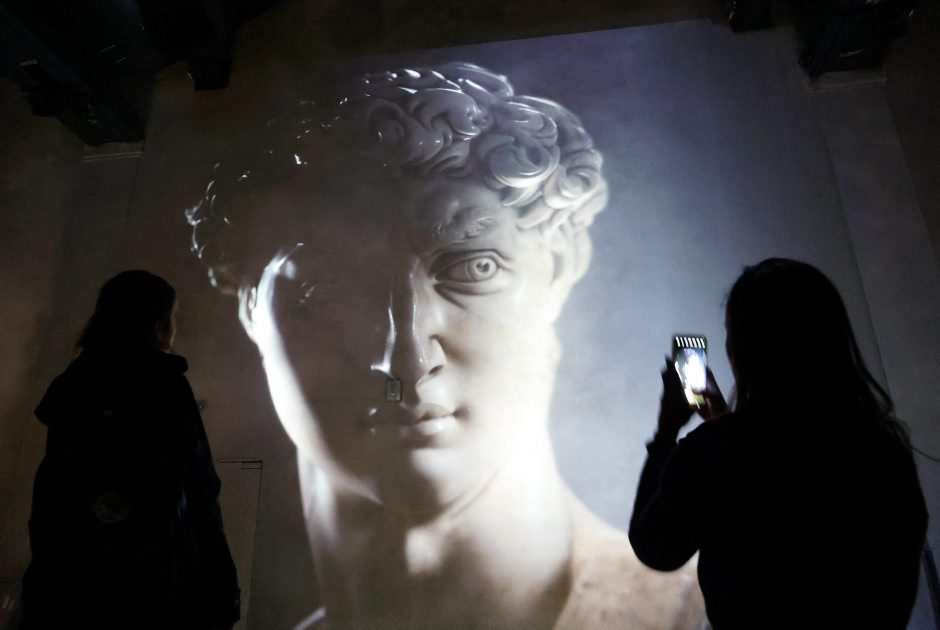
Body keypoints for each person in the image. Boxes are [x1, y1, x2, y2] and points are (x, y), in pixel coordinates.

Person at [186, 62, 705, 628]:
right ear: (249, 309)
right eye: (326, 287)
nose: (405, 362)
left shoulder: (694, 614)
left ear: (558, 269)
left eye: (474, 268)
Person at [629, 258, 928, 629]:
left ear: (744, 349)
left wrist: (665, 436)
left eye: (731, 333)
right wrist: (722, 424)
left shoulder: (716, 452)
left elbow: (656, 547)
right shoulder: (884, 451)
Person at [21, 270, 240, 629]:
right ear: (158, 325)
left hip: (67, 585)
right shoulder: (164, 384)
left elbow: (51, 489)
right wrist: (221, 583)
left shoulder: (75, 384)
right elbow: (199, 486)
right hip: (150, 584)